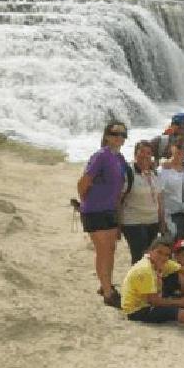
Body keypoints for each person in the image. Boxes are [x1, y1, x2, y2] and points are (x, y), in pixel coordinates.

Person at [77, 121, 128, 308]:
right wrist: (88, 202)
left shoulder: (119, 158)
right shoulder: (100, 156)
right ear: (107, 136)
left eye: (123, 135)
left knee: (111, 250)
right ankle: (108, 292)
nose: (119, 138)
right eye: (116, 134)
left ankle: (106, 284)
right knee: (103, 250)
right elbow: (83, 183)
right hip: (94, 210)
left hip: (110, 210)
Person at [120, 238, 184, 330]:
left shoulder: (163, 262)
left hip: (152, 297)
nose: (162, 257)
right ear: (150, 251)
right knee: (172, 311)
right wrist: (182, 301)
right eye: (159, 252)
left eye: (166, 255)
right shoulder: (145, 269)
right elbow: (153, 301)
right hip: (136, 309)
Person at [120, 140, 163, 264]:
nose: (145, 155)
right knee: (139, 258)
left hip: (153, 221)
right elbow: (118, 199)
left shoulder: (154, 172)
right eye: (142, 152)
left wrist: (162, 221)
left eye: (148, 153)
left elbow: (159, 199)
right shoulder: (128, 172)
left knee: (152, 257)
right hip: (133, 222)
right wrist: (117, 224)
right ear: (135, 154)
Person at [158, 138, 184, 240]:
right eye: (179, 147)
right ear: (172, 147)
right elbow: (159, 196)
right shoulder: (163, 170)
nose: (182, 150)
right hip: (170, 216)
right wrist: (162, 221)